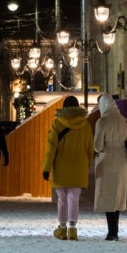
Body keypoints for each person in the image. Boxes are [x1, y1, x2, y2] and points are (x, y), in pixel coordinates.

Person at [41, 95, 94, 240]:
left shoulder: (57, 124)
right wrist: (87, 164)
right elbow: (90, 149)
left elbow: (50, 148)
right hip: (79, 167)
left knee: (62, 199)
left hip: (61, 166)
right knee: (74, 198)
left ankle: (62, 229)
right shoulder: (86, 125)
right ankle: (73, 229)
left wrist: (46, 168)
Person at [93, 92, 127, 241]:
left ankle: (112, 232)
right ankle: (114, 231)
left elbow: (97, 145)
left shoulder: (102, 121)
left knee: (108, 195)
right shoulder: (123, 120)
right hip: (122, 159)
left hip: (108, 159)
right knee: (118, 195)